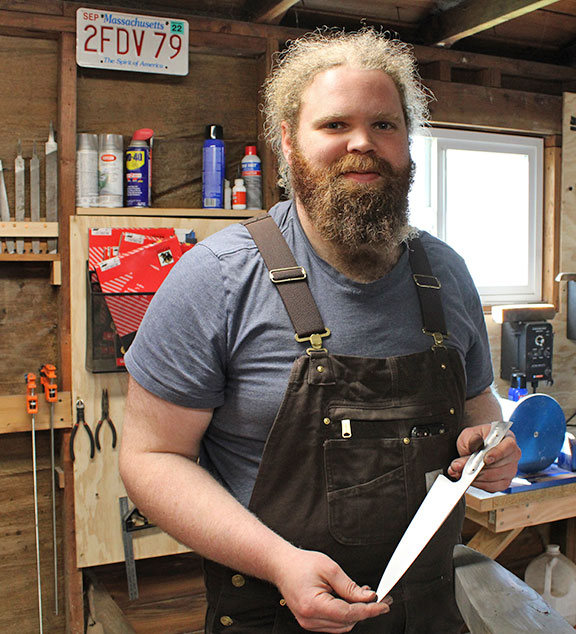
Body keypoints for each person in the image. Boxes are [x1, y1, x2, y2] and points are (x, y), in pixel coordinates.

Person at [119, 27, 521, 634]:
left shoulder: (447, 274)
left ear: (407, 140)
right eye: (335, 125)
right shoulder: (217, 278)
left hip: (426, 615)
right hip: (275, 614)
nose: (363, 142)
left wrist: (493, 448)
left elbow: (476, 407)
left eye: (384, 124)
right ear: (288, 142)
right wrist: (278, 562)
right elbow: (150, 457)